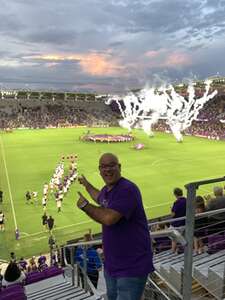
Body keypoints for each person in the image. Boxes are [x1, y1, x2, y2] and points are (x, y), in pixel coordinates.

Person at [77, 153, 154, 300]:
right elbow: (99, 197)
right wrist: (87, 185)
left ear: (119, 167)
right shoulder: (108, 190)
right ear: (99, 170)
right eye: (103, 167)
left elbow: (108, 218)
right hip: (112, 265)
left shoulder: (127, 189)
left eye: (111, 165)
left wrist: (85, 206)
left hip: (131, 267)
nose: (107, 170)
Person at [170, 187, 186, 253]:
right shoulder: (186, 200)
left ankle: (173, 251)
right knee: (181, 236)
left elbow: (173, 215)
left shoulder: (177, 202)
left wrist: (171, 210)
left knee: (174, 237)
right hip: (185, 222)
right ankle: (184, 248)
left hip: (178, 224)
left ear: (175, 194)